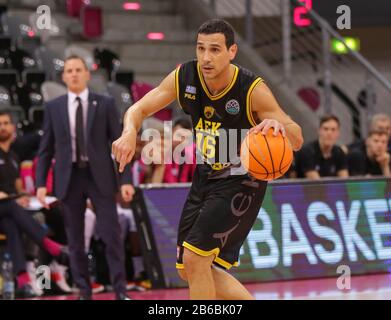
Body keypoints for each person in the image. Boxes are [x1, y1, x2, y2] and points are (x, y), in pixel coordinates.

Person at [112, 19, 303, 300]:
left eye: (214, 49)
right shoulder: (185, 76)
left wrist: (279, 128)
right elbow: (138, 109)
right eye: (201, 48)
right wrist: (129, 130)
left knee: (195, 259)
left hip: (241, 180)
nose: (205, 57)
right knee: (187, 268)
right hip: (204, 178)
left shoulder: (251, 89)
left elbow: (296, 136)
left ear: (232, 51)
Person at [35, 55, 133, 300]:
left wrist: (126, 179)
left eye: (79, 69)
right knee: (76, 240)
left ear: (88, 74)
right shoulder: (54, 107)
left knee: (111, 236)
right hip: (69, 179)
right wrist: (39, 184)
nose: (74, 74)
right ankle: (83, 290)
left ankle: (120, 290)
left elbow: (120, 144)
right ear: (64, 76)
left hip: (99, 177)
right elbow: (45, 149)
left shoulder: (106, 103)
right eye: (69, 70)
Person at [0, 110, 67, 298]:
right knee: (14, 208)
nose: (3, 127)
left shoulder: (13, 157)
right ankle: (49, 244)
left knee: (12, 223)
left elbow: (18, 188)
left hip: (7, 212)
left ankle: (22, 279)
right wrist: (12, 198)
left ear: (13, 128)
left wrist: (27, 197)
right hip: (5, 205)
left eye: (6, 123)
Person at [295, 114, 348, 179]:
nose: (329, 133)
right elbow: (318, 184)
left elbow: (345, 181)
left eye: (333, 129)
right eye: (326, 129)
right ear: (319, 130)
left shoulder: (339, 152)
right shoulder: (307, 151)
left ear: (338, 133)